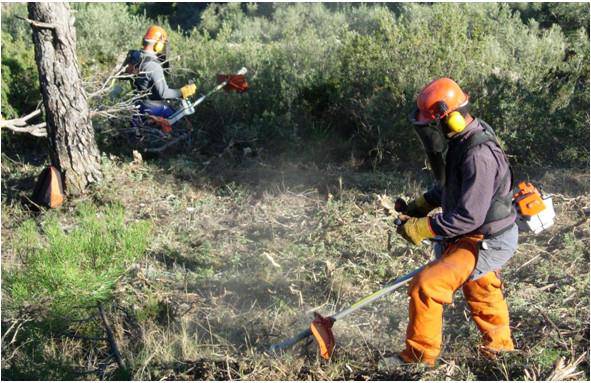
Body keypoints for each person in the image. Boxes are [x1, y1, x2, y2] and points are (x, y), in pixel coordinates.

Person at [386, 77, 518, 367]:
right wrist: (420, 205)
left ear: (451, 118)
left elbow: (468, 216)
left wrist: (423, 228)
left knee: (428, 284)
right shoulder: (462, 139)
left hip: (486, 238)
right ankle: (500, 349)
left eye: (432, 124)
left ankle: (418, 359)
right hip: (472, 233)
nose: (431, 132)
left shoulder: (478, 155)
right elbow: (451, 187)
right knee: (480, 285)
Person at [129, 25, 196, 132]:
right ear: (158, 45)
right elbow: (163, 93)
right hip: (151, 107)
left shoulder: (136, 57)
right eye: (163, 44)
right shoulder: (153, 65)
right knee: (183, 124)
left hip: (137, 105)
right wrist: (182, 92)